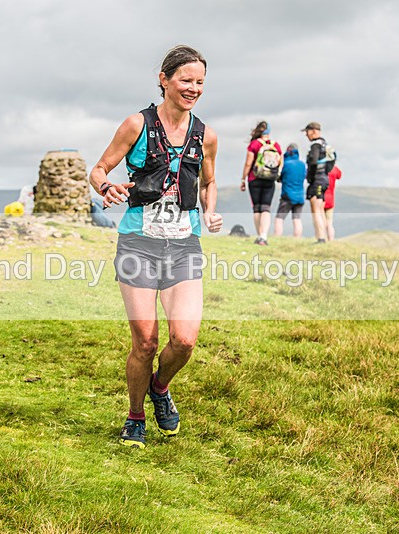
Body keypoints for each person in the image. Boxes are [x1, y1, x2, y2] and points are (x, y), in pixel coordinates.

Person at [88, 45, 223, 449]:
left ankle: (159, 388)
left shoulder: (207, 135)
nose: (193, 88)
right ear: (164, 80)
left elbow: (208, 183)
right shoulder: (136, 124)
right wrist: (107, 186)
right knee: (145, 341)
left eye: (200, 82)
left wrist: (211, 212)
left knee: (184, 340)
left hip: (184, 246)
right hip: (138, 243)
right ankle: (135, 416)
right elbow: (98, 169)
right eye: (186, 80)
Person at [240, 121, 282, 245]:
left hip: (255, 179)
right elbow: (280, 163)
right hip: (270, 179)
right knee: (266, 208)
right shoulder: (276, 145)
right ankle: (263, 236)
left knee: (257, 208)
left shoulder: (254, 144)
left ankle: (259, 236)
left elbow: (248, 163)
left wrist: (243, 179)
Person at [302, 122, 334, 243]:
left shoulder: (315, 146)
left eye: (307, 132)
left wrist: (310, 177)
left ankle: (320, 237)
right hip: (324, 179)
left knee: (316, 209)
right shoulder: (325, 145)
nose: (306, 135)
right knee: (320, 209)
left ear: (314, 131)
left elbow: (314, 162)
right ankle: (323, 237)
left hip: (317, 180)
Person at [274, 143, 306, 238]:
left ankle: (277, 238)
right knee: (297, 219)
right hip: (300, 196)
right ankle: (297, 239)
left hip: (287, 195)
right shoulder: (302, 164)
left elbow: (279, 177)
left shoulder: (285, 164)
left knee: (279, 218)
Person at [324, 166, 342, 241]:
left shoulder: (320, 168)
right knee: (329, 222)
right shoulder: (334, 169)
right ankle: (331, 239)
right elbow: (339, 175)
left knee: (320, 221)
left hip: (320, 198)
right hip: (330, 199)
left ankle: (322, 238)